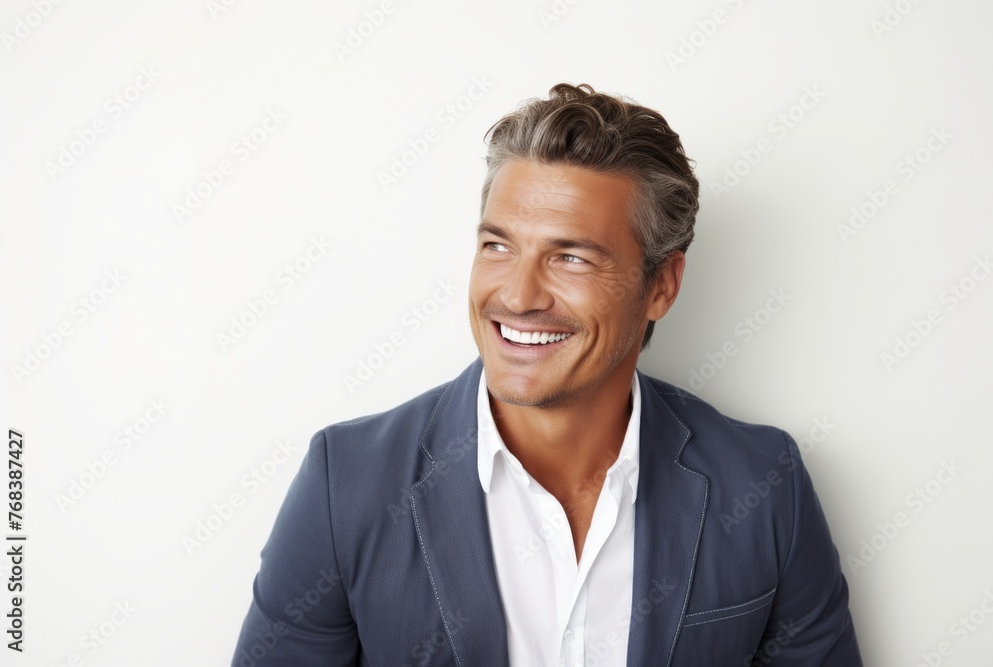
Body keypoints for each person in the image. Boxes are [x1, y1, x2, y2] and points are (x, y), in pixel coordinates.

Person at [231, 83, 862, 666]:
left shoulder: (763, 482)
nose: (518, 295)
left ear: (662, 285)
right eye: (498, 246)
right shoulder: (347, 482)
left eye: (570, 257)